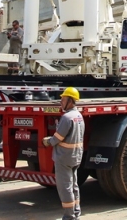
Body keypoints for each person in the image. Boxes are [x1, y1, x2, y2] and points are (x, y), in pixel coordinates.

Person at [42, 87, 84, 220]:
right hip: (75, 156)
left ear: (70, 101)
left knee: (65, 187)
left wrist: (48, 141)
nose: (61, 101)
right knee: (74, 186)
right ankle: (76, 212)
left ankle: (69, 216)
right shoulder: (79, 116)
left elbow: (58, 138)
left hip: (64, 157)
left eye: (64, 99)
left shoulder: (66, 118)